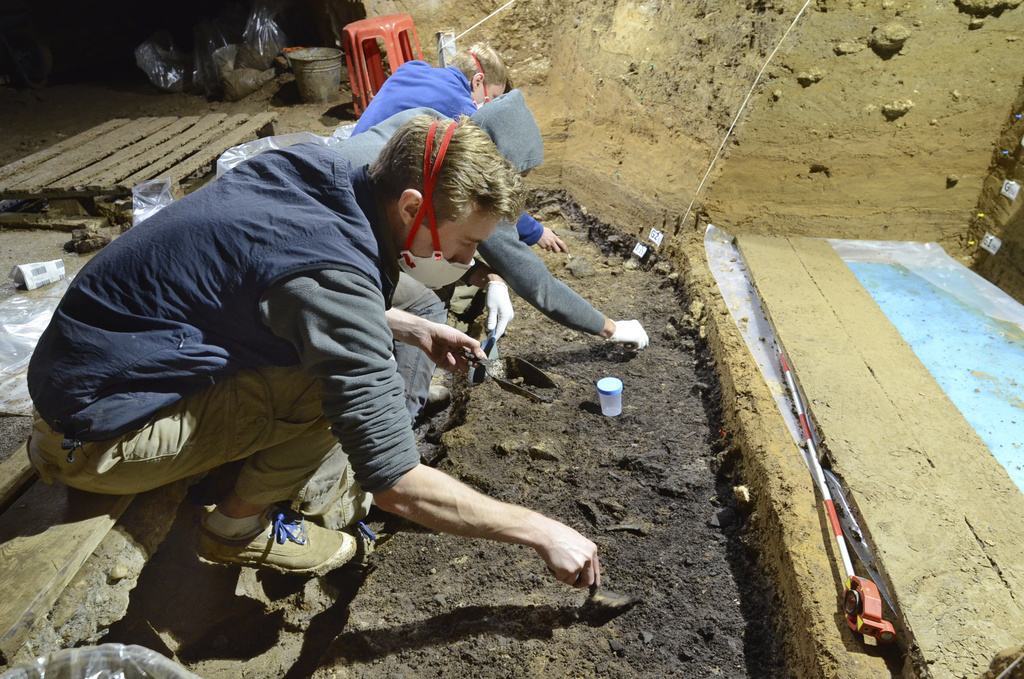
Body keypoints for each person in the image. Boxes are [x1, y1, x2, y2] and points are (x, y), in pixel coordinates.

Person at [25, 115, 601, 589]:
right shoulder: (334, 276)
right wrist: (544, 532)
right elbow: (395, 481)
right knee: (333, 391)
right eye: (468, 243)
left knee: (346, 356)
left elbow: (287, 285)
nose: (468, 260)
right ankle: (236, 528)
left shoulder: (321, 170)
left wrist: (410, 327)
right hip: (93, 435)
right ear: (409, 206)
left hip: (91, 364)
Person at [339, 91, 650, 419]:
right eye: (519, 175)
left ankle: (410, 387)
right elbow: (537, 283)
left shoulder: (428, 133)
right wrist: (611, 329)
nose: (468, 255)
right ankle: (401, 409)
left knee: (421, 303)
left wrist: (488, 277)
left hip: (342, 227)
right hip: (339, 254)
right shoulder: (466, 191)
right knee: (421, 305)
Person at [352, 44, 510, 135]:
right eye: (493, 97)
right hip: (365, 176)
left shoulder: (413, 67)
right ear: (478, 81)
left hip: (348, 151)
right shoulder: (459, 103)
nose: (489, 104)